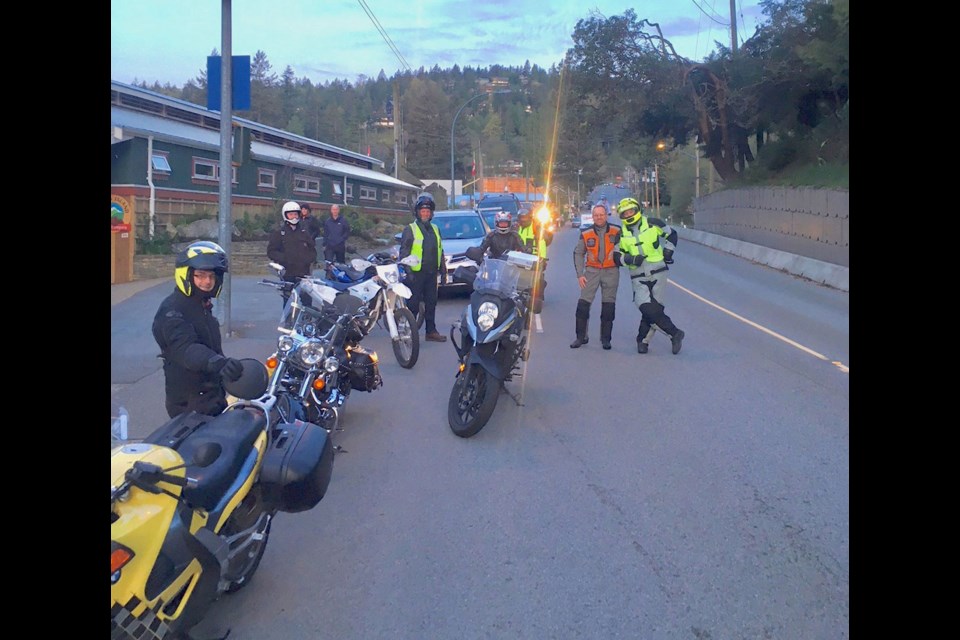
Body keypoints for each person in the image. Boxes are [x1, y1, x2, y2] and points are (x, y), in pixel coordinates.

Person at [152, 241, 244, 419]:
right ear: (186, 275)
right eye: (200, 276)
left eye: (211, 276)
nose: (207, 282)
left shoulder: (201, 305)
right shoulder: (173, 310)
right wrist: (219, 363)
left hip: (211, 398)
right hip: (189, 406)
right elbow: (186, 348)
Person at [616, 197, 684, 354]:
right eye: (624, 213)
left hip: (658, 272)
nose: (628, 215)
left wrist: (668, 251)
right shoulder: (621, 234)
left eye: (630, 211)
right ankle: (675, 333)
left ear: (637, 209)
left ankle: (642, 341)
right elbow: (616, 257)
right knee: (645, 307)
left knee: (655, 309)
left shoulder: (654, 223)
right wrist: (630, 259)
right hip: (638, 276)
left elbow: (672, 235)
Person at [571, 202, 622, 350]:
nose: (599, 217)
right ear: (592, 217)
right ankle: (581, 337)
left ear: (606, 215)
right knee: (583, 305)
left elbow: (626, 248)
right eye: (596, 215)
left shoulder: (616, 231)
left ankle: (606, 339)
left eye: (601, 215)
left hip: (611, 271)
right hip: (591, 272)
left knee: (608, 306)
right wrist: (580, 274)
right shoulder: (586, 233)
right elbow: (578, 253)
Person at [399, 193, 447, 342]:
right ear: (418, 212)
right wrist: (408, 272)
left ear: (431, 213)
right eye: (422, 211)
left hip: (431, 273)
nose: (425, 213)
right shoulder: (410, 229)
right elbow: (404, 252)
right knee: (413, 306)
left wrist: (443, 271)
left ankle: (431, 332)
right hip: (416, 274)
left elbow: (440, 250)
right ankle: (409, 333)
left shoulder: (435, 229)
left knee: (431, 303)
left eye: (428, 211)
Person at [267, 201, 317, 307]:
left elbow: (312, 250)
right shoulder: (279, 233)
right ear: (285, 215)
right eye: (291, 214)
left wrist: (307, 260)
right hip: (287, 273)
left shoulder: (304, 232)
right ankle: (287, 322)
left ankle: (307, 322)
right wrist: (285, 259)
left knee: (307, 300)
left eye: (295, 214)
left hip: (303, 274)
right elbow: (271, 252)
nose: (293, 217)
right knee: (288, 301)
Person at [516, 207, 552, 306]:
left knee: (537, 280)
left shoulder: (535, 228)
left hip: (534, 257)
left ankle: (538, 298)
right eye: (521, 218)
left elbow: (542, 243)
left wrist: (543, 259)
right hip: (519, 257)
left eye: (525, 218)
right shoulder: (516, 228)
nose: (523, 220)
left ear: (530, 217)